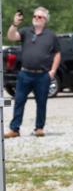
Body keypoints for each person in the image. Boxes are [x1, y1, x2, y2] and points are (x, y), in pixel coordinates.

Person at [4, 7, 60, 139]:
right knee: (19, 101)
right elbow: (11, 37)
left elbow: (57, 54)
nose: (36, 18)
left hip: (42, 75)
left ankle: (39, 128)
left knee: (41, 103)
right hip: (25, 74)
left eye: (39, 17)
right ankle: (14, 129)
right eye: (35, 16)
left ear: (45, 20)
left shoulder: (51, 35)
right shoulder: (25, 31)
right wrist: (15, 24)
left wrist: (52, 71)